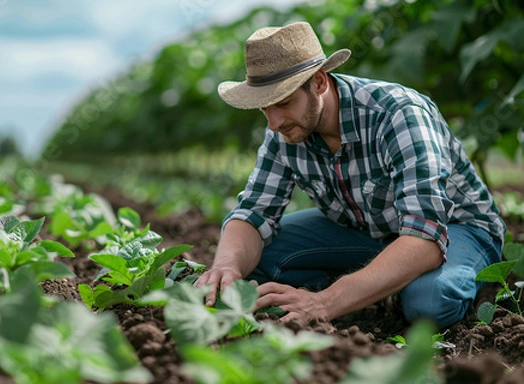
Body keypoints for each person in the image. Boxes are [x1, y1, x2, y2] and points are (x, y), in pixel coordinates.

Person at [194, 21, 505, 328]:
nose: (274, 122)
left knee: (429, 303)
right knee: (251, 258)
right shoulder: (286, 129)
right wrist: (226, 265)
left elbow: (425, 238)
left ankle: (390, 284)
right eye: (265, 109)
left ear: (319, 82)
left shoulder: (399, 114)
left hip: (454, 230)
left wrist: (326, 301)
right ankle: (379, 281)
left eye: (284, 103)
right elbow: (253, 212)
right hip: (368, 231)